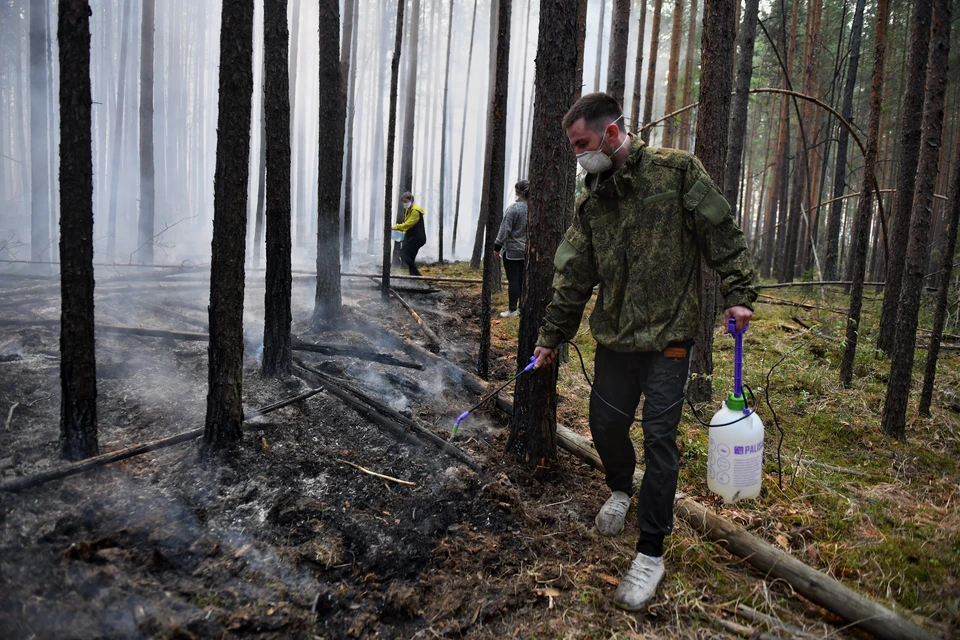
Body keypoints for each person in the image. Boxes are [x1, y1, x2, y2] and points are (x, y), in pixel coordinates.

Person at [531, 93, 758, 611]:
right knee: (607, 427)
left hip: (669, 341)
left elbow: (719, 232)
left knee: (659, 440)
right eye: (573, 148)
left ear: (612, 134)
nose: (579, 157)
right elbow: (575, 277)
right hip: (613, 339)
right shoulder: (592, 200)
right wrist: (550, 337)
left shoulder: (676, 171)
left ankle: (650, 552)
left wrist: (739, 294)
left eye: (583, 144)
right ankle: (618, 488)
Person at [494, 180, 530, 318]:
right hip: (527, 251)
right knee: (523, 280)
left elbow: (505, 230)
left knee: (513, 280)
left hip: (512, 251)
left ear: (518, 192)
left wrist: (497, 247)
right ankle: (523, 308)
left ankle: (512, 310)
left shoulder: (514, 209)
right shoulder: (534, 208)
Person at [393, 192, 426, 276]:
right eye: (403, 202)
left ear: (411, 200)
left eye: (405, 201)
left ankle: (418, 275)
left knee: (402, 254)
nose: (404, 203)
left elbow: (408, 224)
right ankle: (414, 278)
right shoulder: (408, 210)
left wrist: (396, 227)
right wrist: (402, 234)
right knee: (410, 258)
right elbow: (406, 225)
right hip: (413, 238)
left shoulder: (415, 211)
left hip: (418, 238)